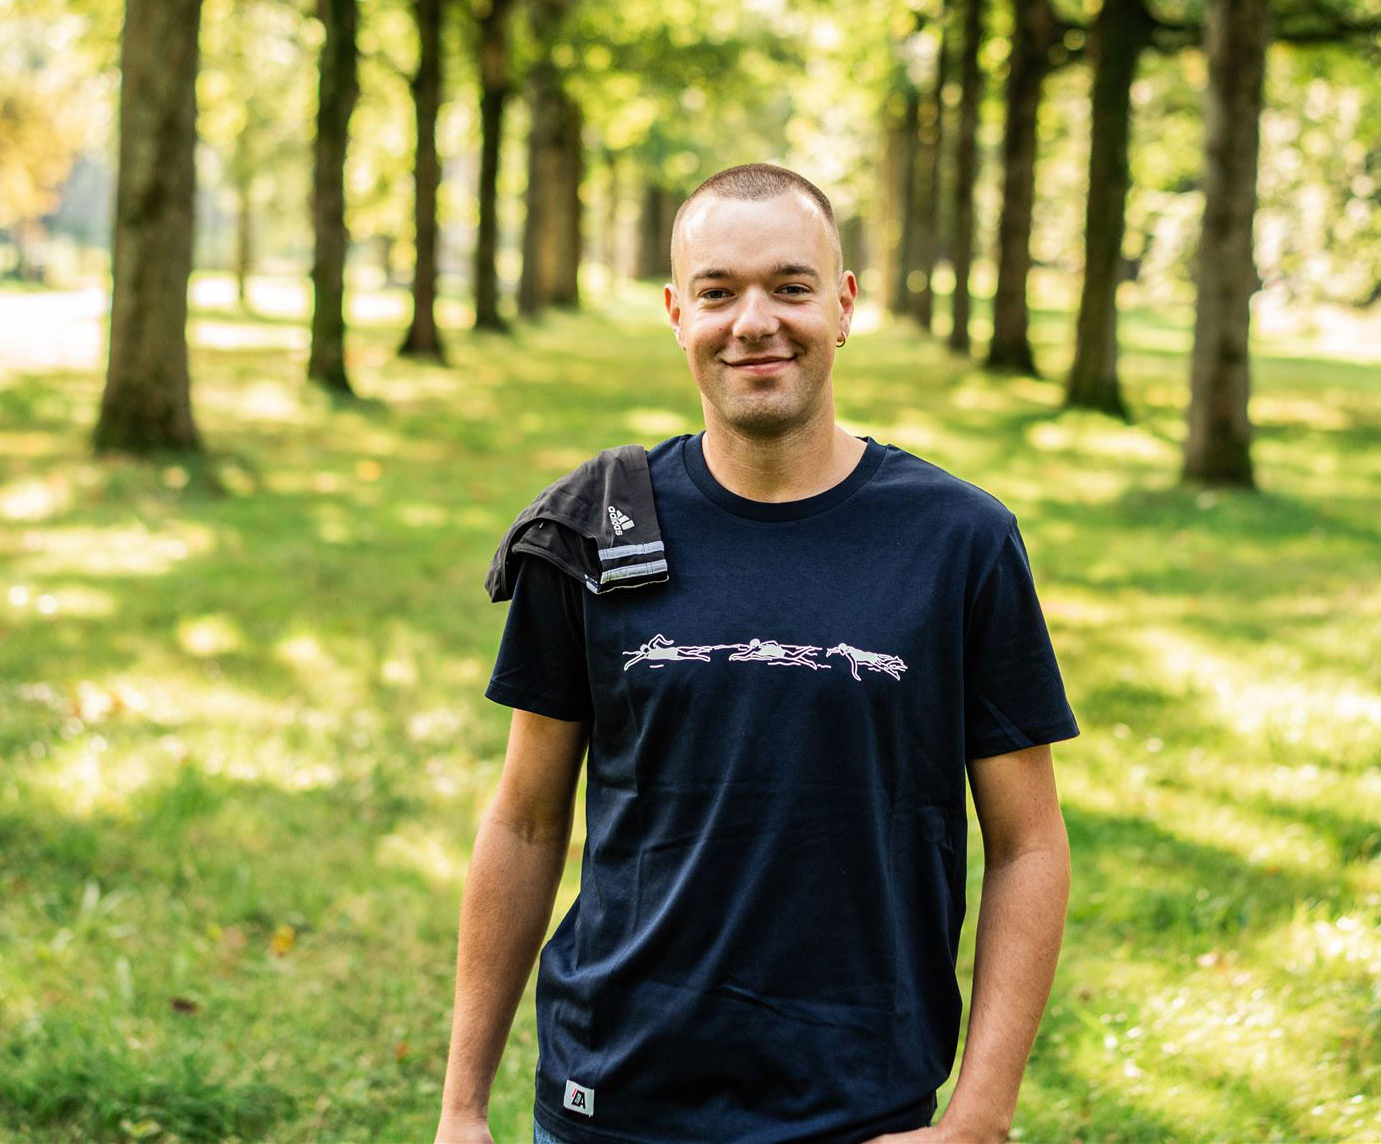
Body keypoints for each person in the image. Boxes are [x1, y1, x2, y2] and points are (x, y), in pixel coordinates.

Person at [437, 163, 1077, 1144]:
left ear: (843, 303)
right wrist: (461, 1109)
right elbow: (525, 825)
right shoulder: (599, 525)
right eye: (717, 292)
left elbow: (1027, 844)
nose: (754, 322)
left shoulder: (959, 541)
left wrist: (977, 1118)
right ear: (673, 313)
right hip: (611, 1094)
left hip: (860, 1102)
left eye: (789, 286)